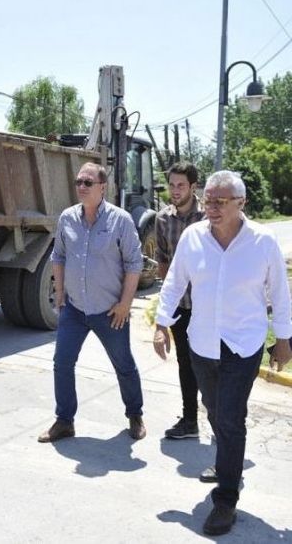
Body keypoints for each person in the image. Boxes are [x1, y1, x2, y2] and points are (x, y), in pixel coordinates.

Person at [153, 170, 292, 536]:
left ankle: (225, 498)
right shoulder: (192, 238)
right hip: (202, 342)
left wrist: (284, 338)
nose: (210, 207)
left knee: (230, 419)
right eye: (208, 200)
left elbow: (280, 292)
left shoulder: (263, 241)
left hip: (242, 345)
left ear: (241, 203)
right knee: (215, 411)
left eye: (220, 201)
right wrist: (161, 323)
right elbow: (174, 282)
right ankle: (227, 460)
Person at [38, 162, 146, 444]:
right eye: (78, 182)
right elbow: (58, 256)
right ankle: (64, 421)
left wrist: (125, 304)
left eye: (88, 182)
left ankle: (135, 414)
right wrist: (59, 292)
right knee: (62, 362)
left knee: (123, 364)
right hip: (74, 308)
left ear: (102, 187)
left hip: (110, 311)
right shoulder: (67, 218)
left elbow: (135, 263)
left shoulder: (120, 220)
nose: (82, 187)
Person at [155, 162, 205, 440]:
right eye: (171, 185)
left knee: (214, 362)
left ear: (193, 186)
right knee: (185, 363)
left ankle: (223, 418)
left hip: (208, 306)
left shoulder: (209, 216)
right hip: (180, 305)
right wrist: (167, 301)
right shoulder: (163, 219)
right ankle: (189, 420)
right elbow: (163, 263)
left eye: (181, 185)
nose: (175, 191)